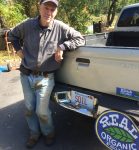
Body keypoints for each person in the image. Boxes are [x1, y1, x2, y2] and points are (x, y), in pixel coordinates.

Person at [8, 0, 85, 148]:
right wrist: (18, 49)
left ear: (56, 11)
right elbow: (12, 35)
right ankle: (34, 134)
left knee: (42, 111)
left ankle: (49, 133)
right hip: (26, 75)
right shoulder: (27, 25)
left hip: (46, 77)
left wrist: (62, 46)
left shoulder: (60, 27)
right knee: (29, 109)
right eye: (46, 8)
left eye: (52, 9)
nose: (48, 12)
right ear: (39, 6)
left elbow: (80, 38)